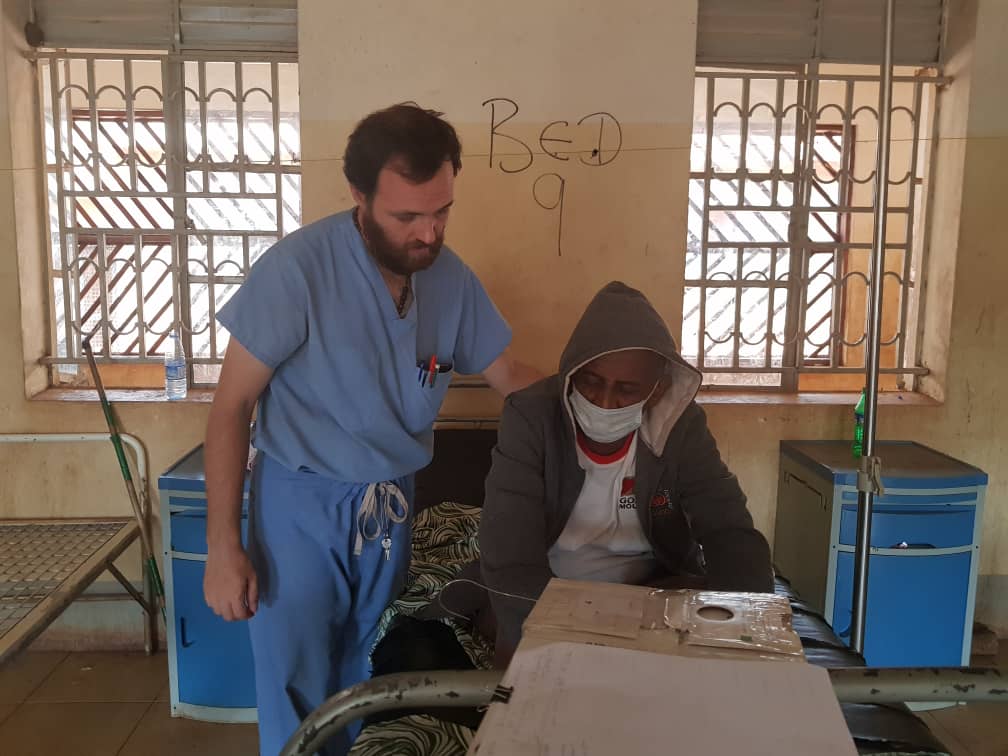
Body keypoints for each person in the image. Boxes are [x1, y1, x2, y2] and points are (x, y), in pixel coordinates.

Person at [203, 104, 541, 755]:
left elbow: (510, 374)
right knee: (296, 680)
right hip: (299, 506)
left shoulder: (449, 278)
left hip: (389, 505)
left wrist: (600, 399)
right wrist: (224, 545)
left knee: (369, 667)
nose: (428, 233)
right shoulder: (297, 271)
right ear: (359, 197)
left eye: (441, 211)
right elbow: (229, 408)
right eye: (407, 217)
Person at [479, 281, 773, 665]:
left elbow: (728, 527)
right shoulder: (531, 417)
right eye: (591, 382)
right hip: (550, 592)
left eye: (626, 389)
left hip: (651, 594)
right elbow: (510, 555)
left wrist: (751, 631)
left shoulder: (678, 426)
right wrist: (557, 640)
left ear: (657, 388)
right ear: (572, 372)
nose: (603, 401)